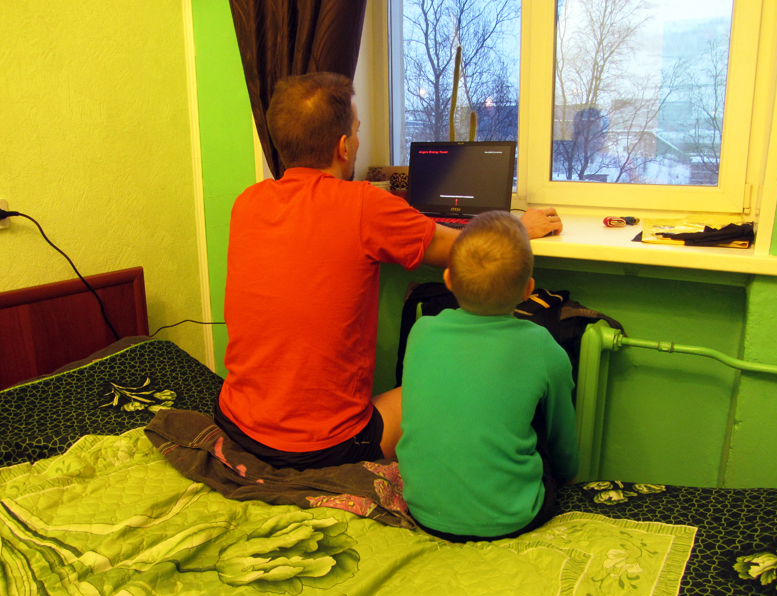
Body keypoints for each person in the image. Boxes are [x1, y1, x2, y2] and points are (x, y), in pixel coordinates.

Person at [215, 72, 563, 471]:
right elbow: (470, 250)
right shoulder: (364, 205)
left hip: (235, 424)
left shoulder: (247, 203)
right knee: (445, 383)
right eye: (357, 130)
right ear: (343, 146)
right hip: (323, 449)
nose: (358, 140)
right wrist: (521, 227)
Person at [396, 211, 579, 542]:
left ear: (448, 279)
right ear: (528, 290)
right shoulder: (542, 346)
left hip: (424, 511)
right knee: (537, 410)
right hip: (513, 517)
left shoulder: (421, 330)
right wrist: (567, 478)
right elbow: (562, 440)